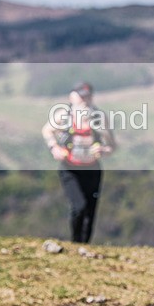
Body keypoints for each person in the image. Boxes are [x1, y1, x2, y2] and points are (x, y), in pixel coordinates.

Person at [42, 82, 116, 243]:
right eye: (81, 96)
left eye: (87, 96)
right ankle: (75, 242)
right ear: (72, 96)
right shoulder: (63, 115)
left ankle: (85, 245)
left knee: (90, 210)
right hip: (69, 168)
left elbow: (112, 146)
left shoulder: (99, 118)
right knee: (79, 206)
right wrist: (54, 147)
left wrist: (104, 150)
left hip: (92, 169)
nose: (84, 99)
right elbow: (47, 130)